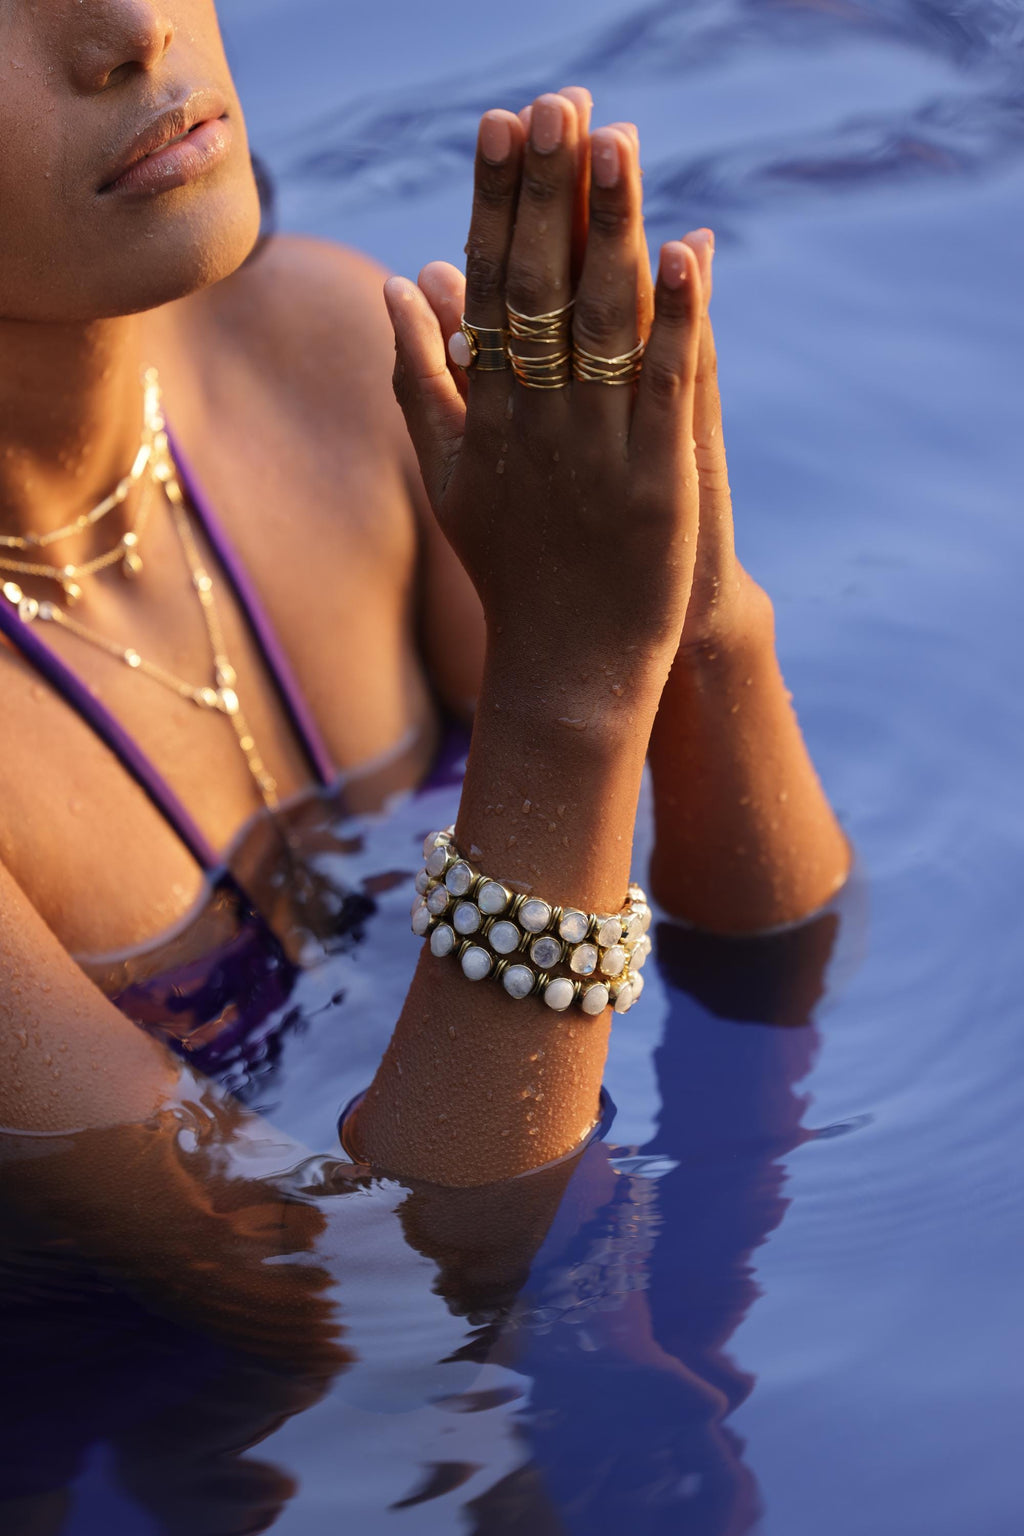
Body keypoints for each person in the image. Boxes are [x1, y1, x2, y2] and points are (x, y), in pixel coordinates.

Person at [0, 0, 850, 1435]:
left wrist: (699, 619)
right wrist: (571, 699)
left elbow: (768, 977)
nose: (132, 29)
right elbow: (385, 1292)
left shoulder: (326, 365)